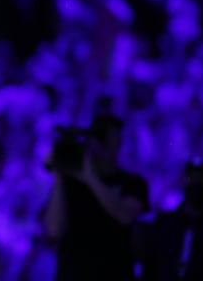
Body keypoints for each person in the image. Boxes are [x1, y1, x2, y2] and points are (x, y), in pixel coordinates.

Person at [43, 113, 149, 281]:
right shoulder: (70, 184)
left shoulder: (133, 183)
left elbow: (125, 216)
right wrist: (59, 174)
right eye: (98, 136)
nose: (101, 143)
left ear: (119, 143)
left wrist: (89, 177)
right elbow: (54, 229)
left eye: (107, 136)